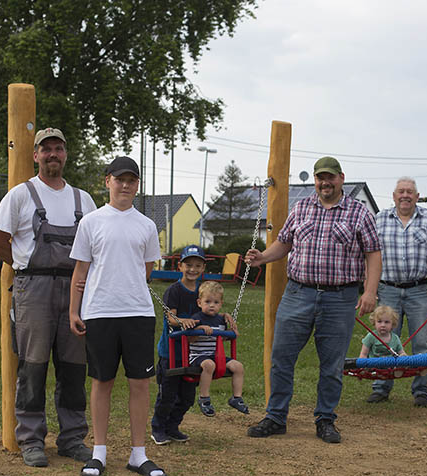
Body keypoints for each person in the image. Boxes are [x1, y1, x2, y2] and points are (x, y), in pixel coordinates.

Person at [245, 156, 381, 443]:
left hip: (340, 297)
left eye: (330, 177)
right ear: (316, 180)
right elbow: (284, 243)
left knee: (332, 364)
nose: (325, 182)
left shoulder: (359, 213)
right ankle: (275, 416)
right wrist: (262, 258)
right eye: (320, 177)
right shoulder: (301, 207)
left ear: (341, 178)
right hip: (298, 293)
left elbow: (373, 253)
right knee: (281, 358)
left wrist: (369, 292)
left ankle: (325, 419)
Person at [0, 127, 96, 468]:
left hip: (75, 290)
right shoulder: (20, 195)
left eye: (58, 149)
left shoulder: (84, 200)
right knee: (33, 365)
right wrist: (23, 264)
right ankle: (31, 439)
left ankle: (72, 437)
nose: (52, 154)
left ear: (66, 154)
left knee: (74, 365)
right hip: (33, 289)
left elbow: (95, 246)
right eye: (45, 149)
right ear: (35, 155)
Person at [69, 156, 165, 476]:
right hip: (99, 312)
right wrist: (74, 309)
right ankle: (99, 453)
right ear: (107, 181)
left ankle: (139, 454)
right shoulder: (91, 222)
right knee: (102, 381)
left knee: (139, 382)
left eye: (131, 180)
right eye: (119, 179)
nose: (125, 185)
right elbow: (80, 270)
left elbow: (147, 269)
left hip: (138, 312)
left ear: (137, 185)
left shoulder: (147, 225)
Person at [371, 177, 427, 406]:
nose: (405, 195)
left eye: (410, 192)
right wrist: (370, 288)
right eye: (401, 191)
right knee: (385, 340)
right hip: (388, 289)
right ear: (394, 196)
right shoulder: (380, 219)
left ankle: (421, 391)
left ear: (417, 196)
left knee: (422, 343)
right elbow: (371, 255)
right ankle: (381, 388)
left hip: (420, 290)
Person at [150, 245, 206, 445]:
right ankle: (158, 428)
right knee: (168, 395)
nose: (193, 269)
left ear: (203, 269)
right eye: (189, 265)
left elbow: (211, 311)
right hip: (171, 352)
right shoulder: (174, 290)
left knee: (187, 397)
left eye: (197, 265)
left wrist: (224, 317)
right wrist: (183, 321)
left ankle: (173, 427)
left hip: (193, 353)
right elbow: (171, 318)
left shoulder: (203, 291)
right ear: (180, 266)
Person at [187, 281, 248, 416]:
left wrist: (232, 332)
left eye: (215, 302)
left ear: (220, 304)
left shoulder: (221, 320)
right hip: (198, 356)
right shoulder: (197, 318)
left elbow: (224, 338)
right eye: (207, 301)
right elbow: (189, 339)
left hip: (216, 355)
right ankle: (204, 398)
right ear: (199, 303)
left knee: (238, 367)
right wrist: (200, 329)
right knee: (209, 365)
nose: (211, 305)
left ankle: (236, 398)